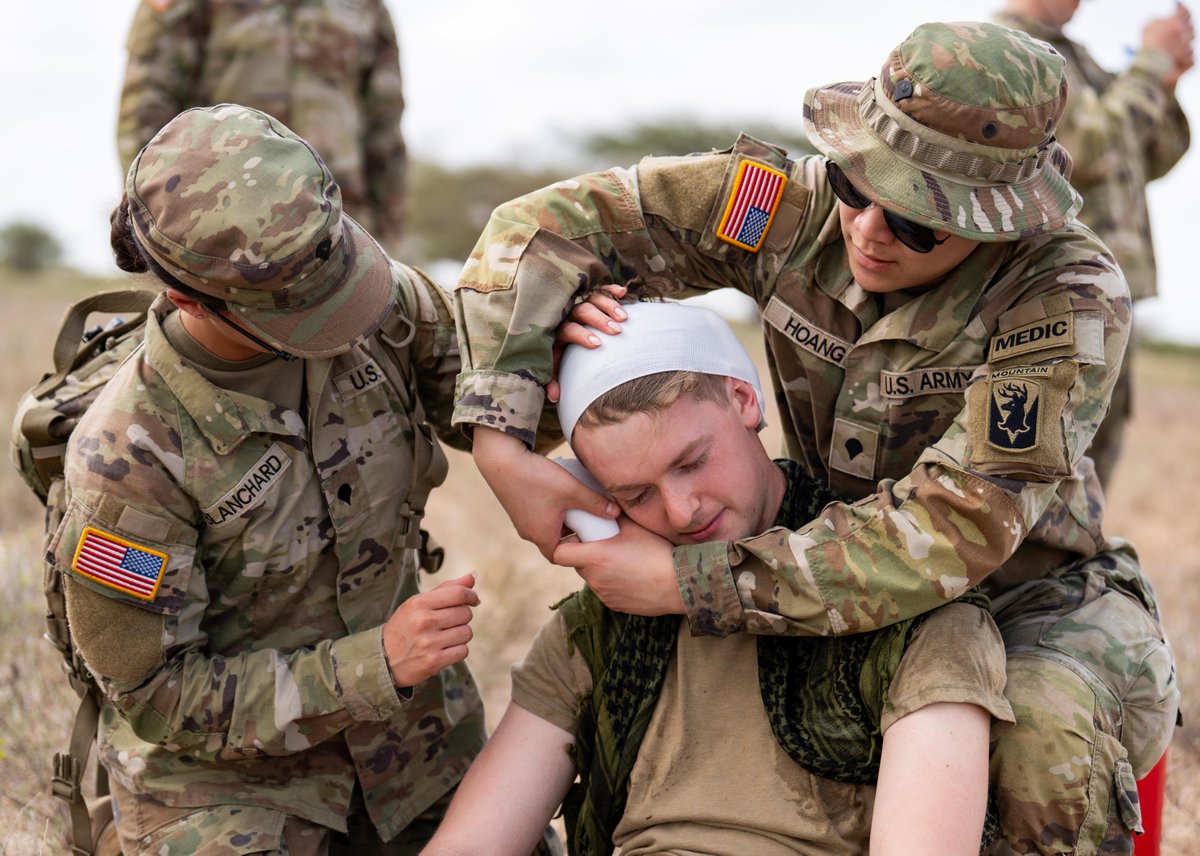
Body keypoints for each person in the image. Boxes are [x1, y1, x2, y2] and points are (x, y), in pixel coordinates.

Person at [451, 20, 1180, 856]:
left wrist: (697, 582)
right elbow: (535, 231)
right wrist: (502, 443)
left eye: (918, 224)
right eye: (855, 183)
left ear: (1001, 220)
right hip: (802, 561)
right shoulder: (785, 207)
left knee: (1042, 744)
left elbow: (957, 526)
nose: (867, 231)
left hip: (1026, 593)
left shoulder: (1061, 293)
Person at [424, 300, 1013, 855]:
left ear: (743, 399)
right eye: (636, 494)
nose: (681, 511)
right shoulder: (604, 624)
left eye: (692, 462)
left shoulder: (921, 615)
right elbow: (474, 843)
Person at [48, 103, 483, 854]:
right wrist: (373, 666)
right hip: (224, 789)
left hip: (411, 748)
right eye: (303, 311)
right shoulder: (127, 459)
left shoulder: (375, 300)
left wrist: (566, 348)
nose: (345, 322)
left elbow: (486, 400)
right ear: (187, 296)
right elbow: (157, 698)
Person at [995, 0, 1194, 488]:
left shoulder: (1072, 55)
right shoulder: (1011, 50)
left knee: (1090, 471)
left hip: (1100, 289)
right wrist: (1151, 64)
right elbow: (1086, 150)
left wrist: (1165, 81)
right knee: (1048, 465)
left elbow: (1151, 155)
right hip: (1055, 287)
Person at [117, 0, 408, 252]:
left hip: (340, 226)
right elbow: (146, 112)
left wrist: (386, 241)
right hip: (218, 225)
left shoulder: (367, 7)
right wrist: (152, 226)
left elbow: (384, 127)